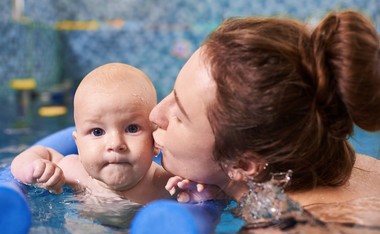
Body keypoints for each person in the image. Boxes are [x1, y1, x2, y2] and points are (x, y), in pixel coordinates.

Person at [151, 10, 380, 209]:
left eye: (179, 117)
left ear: (243, 165)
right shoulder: (365, 166)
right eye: (172, 93)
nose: (155, 115)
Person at [11, 63, 172, 227]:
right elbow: (37, 152)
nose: (115, 144)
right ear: (78, 144)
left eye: (132, 129)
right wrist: (32, 170)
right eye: (97, 132)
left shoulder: (165, 185)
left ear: (156, 141)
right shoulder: (74, 173)